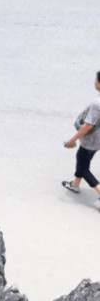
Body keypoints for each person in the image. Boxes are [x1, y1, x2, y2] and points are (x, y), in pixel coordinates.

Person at [62, 71, 100, 207]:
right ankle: (75, 185)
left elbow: (88, 125)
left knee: (83, 167)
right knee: (83, 161)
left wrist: (72, 140)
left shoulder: (97, 104)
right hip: (98, 141)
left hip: (91, 141)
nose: (94, 81)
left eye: (96, 79)